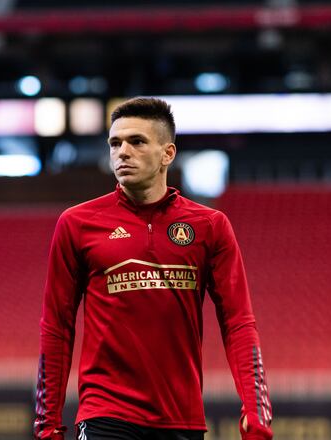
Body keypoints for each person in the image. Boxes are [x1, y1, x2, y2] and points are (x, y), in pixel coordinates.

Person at [34, 97, 272, 440]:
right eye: (115, 143)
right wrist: (47, 424)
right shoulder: (76, 224)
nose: (122, 152)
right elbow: (57, 327)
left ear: (168, 154)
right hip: (106, 417)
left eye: (137, 141)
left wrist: (256, 411)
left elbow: (238, 324)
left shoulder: (210, 226)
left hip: (182, 421)